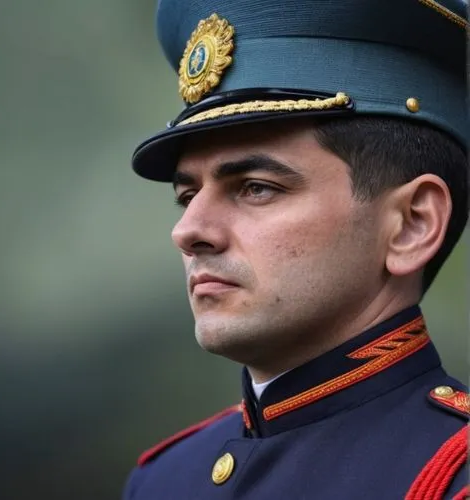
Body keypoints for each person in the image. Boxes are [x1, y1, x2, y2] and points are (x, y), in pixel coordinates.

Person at [123, 0, 469, 498]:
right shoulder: (162, 480)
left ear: (412, 225)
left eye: (256, 187)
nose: (189, 230)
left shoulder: (451, 477)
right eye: (186, 196)